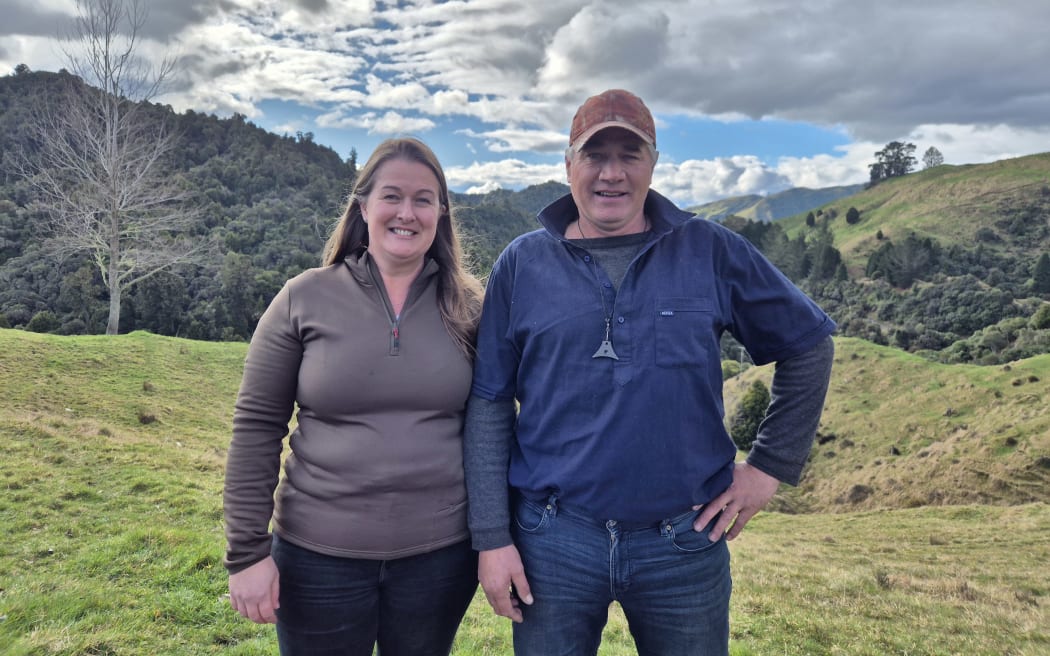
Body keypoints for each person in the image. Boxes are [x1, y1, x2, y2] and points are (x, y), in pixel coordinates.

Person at [464, 89, 836, 656]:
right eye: (594, 155)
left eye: (629, 154)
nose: (611, 173)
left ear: (653, 163)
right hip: (552, 541)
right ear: (568, 164)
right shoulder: (522, 263)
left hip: (683, 544)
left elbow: (808, 344)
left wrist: (768, 468)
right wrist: (492, 539)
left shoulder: (709, 250)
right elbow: (490, 401)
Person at [223, 137, 484, 656]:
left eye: (423, 199)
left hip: (440, 560)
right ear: (363, 206)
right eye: (391, 196)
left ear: (441, 212)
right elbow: (256, 426)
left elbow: (498, 424)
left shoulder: (472, 307)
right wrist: (246, 553)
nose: (406, 212)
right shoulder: (303, 297)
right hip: (316, 559)